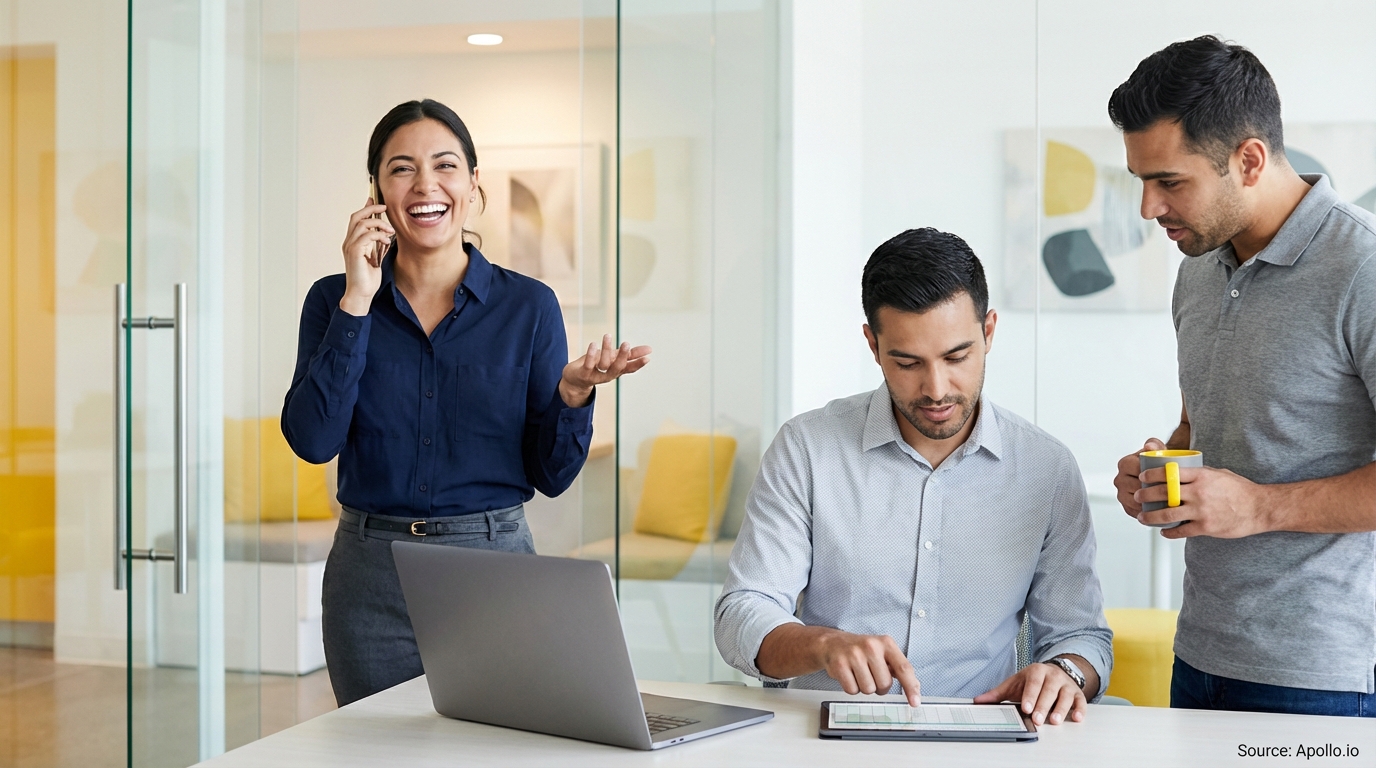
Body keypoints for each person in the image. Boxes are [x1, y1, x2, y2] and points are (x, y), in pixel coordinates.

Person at [282, 99, 650, 706]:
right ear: (375, 189)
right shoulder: (333, 300)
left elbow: (551, 478)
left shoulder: (528, 307)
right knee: (379, 756)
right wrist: (357, 299)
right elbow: (313, 442)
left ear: (473, 184)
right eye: (401, 168)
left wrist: (573, 394)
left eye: (445, 165)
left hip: (493, 570)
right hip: (369, 581)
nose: (425, 185)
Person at [715, 228, 1112, 727]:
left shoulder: (1046, 469)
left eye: (957, 356)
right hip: (823, 738)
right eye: (907, 363)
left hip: (983, 738)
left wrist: (1063, 673)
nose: (936, 388)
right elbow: (741, 614)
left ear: (989, 332)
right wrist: (822, 643)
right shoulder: (807, 449)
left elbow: (1083, 637)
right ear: (873, 345)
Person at [1108, 36, 1376, 717]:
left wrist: (1256, 507)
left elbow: (1251, 495)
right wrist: (1162, 473)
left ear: (1249, 160)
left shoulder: (1363, 269)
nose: (1149, 208)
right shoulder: (1196, 271)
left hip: (1322, 675)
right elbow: (1204, 425)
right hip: (1198, 655)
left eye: (1169, 182)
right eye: (1141, 181)